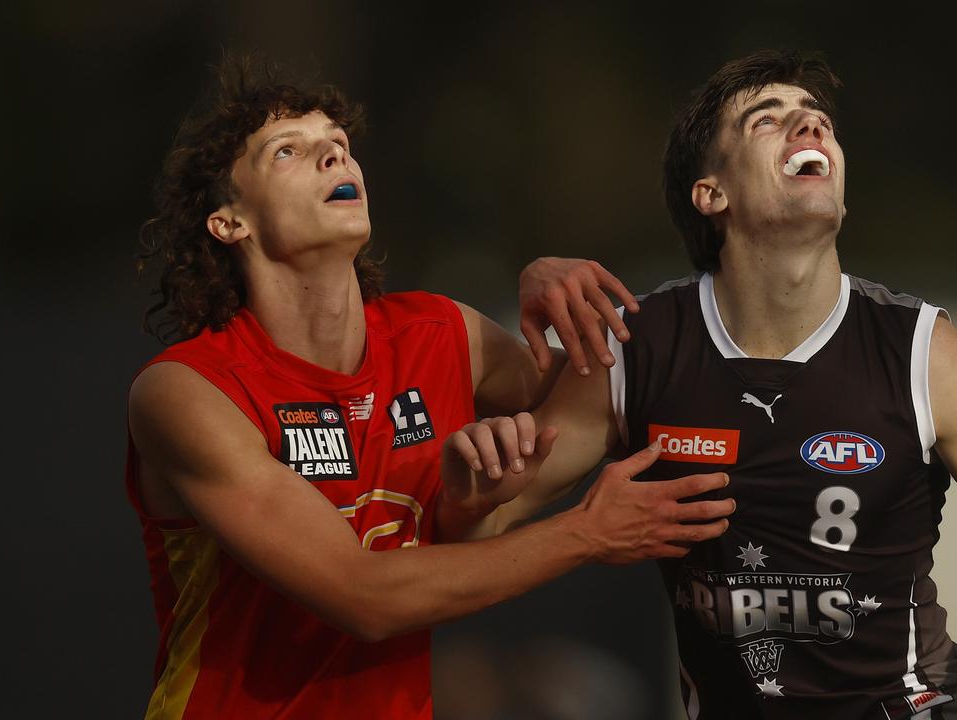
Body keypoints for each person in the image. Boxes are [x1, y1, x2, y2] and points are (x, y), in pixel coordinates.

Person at [471, 50, 957, 719]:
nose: (809, 130)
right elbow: (479, 531)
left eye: (818, 122)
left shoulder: (923, 352)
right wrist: (477, 482)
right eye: (768, 120)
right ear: (711, 192)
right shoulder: (636, 349)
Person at [125, 55, 735, 719]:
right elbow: (365, 598)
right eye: (288, 151)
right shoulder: (188, 391)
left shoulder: (443, 333)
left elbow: (616, 393)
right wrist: (584, 534)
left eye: (339, 145)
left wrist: (552, 288)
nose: (334, 158)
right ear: (228, 222)